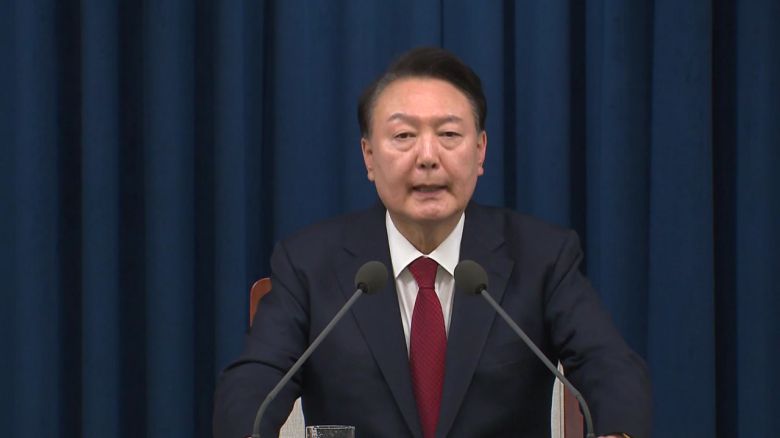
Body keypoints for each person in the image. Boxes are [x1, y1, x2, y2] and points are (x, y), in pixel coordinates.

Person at [213, 47, 651, 438]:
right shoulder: (309, 263)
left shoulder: (542, 257)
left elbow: (609, 365)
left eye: (449, 135)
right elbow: (254, 381)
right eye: (404, 136)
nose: (427, 157)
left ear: (480, 151)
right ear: (369, 156)